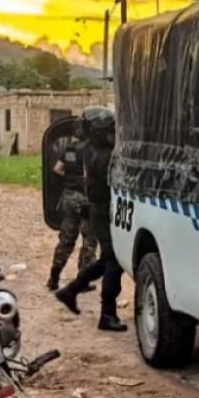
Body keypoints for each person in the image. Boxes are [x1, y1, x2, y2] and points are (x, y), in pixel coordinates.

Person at [54, 106, 127, 332]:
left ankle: (71, 290)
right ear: (97, 132)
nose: (112, 134)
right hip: (102, 211)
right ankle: (107, 314)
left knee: (107, 259)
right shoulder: (103, 155)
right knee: (113, 262)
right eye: (108, 131)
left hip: (101, 210)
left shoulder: (86, 148)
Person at [46, 125, 98, 290]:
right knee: (89, 241)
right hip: (87, 199)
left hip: (69, 198)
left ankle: (53, 278)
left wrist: (70, 177)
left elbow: (57, 169)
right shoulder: (93, 150)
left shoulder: (70, 149)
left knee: (66, 240)